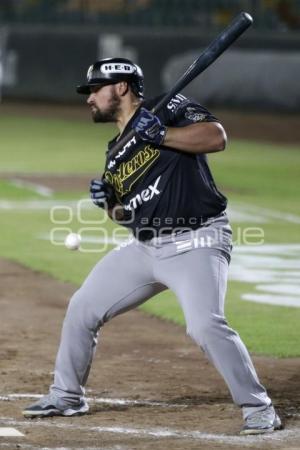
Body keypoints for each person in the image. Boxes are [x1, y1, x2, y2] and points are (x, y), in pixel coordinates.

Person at [23, 57, 282, 435]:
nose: (89, 98)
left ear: (122, 87)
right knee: (83, 306)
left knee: (204, 324)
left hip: (198, 239)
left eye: (96, 89)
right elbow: (130, 216)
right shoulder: (115, 152)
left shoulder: (169, 107)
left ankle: (259, 408)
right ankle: (66, 396)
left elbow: (216, 138)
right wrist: (109, 201)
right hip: (146, 248)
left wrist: (161, 134)